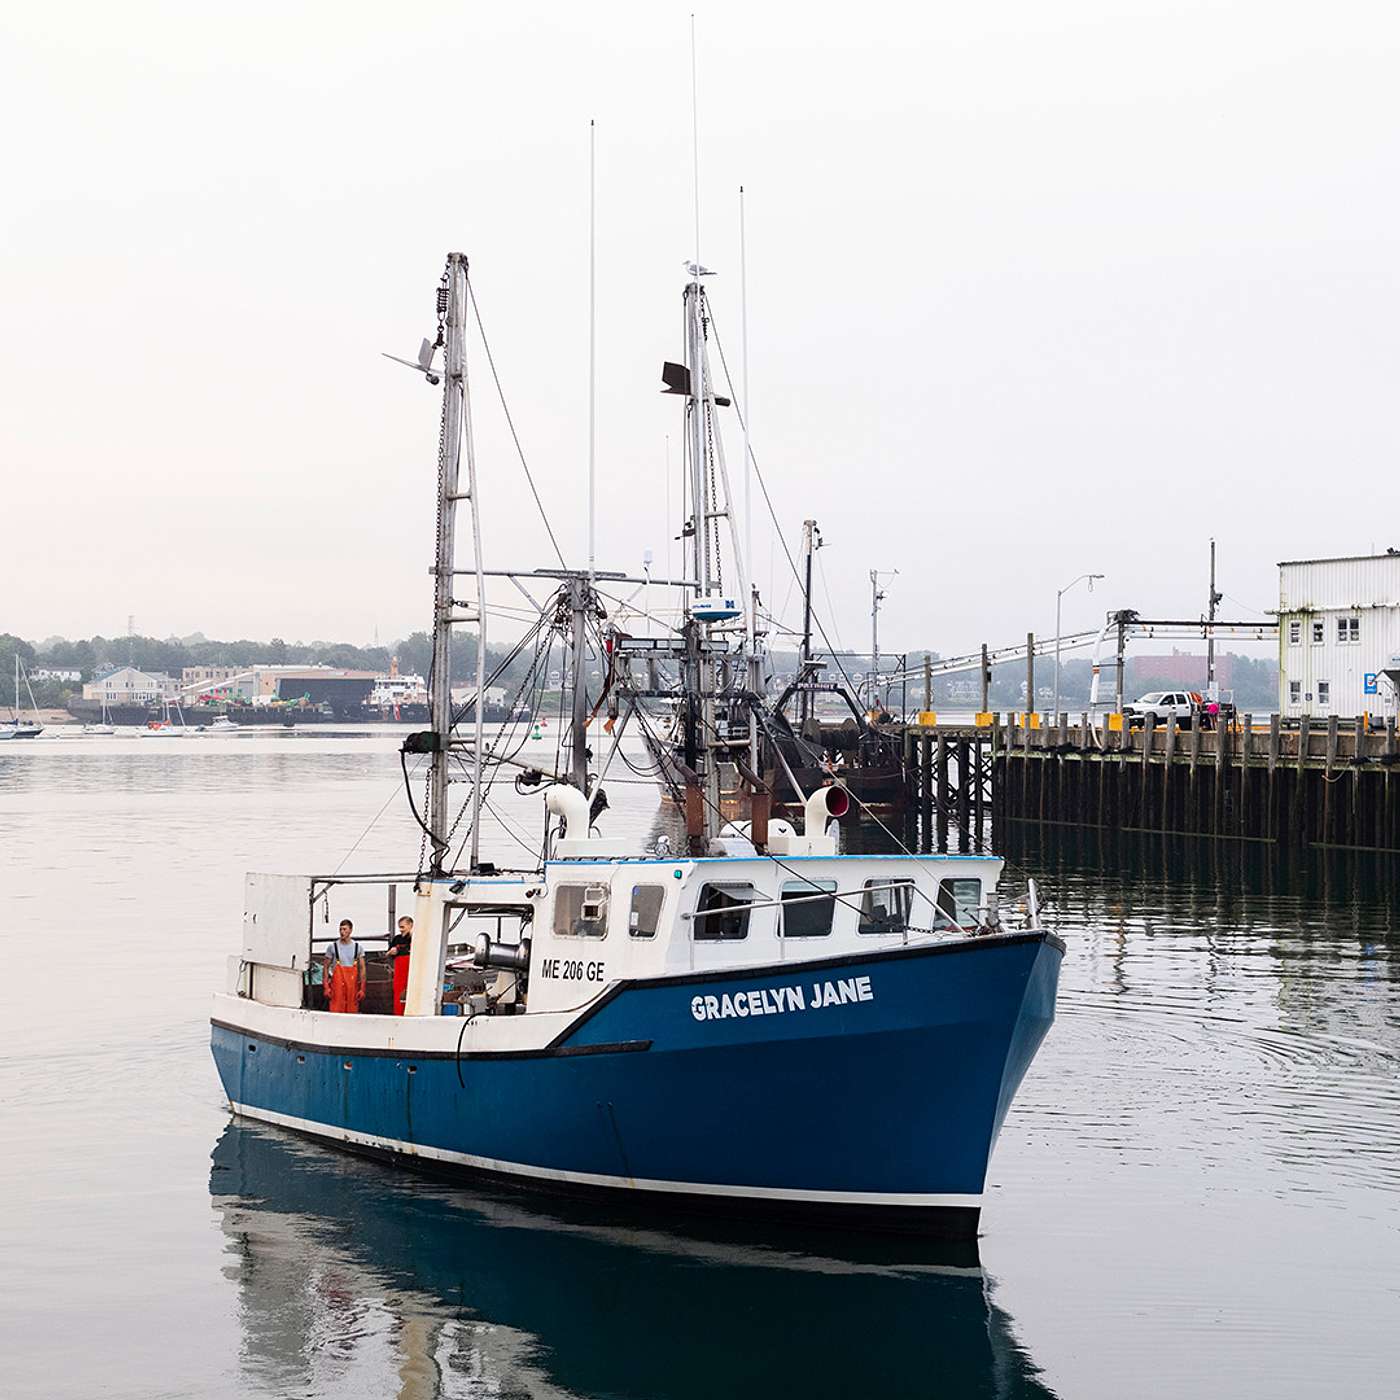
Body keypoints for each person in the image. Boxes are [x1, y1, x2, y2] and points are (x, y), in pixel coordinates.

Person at [325, 919, 364, 1014]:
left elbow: (362, 968)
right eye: (340, 929)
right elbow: (326, 967)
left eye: (344, 929)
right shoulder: (332, 947)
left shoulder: (358, 948)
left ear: (350, 930)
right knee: (336, 1012)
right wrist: (326, 987)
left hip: (352, 988)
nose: (342, 932)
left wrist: (362, 988)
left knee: (352, 1013)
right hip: (337, 988)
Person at [388, 915, 413, 1016]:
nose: (401, 930)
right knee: (398, 992)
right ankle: (398, 1013)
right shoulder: (397, 939)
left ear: (410, 925)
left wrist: (398, 950)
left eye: (403, 927)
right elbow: (389, 953)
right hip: (399, 970)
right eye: (400, 927)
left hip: (411, 970)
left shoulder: (415, 938)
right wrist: (391, 952)